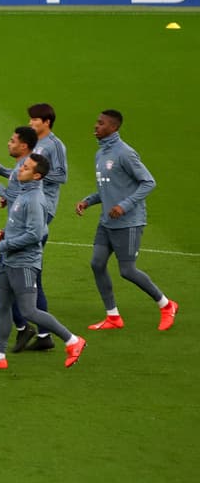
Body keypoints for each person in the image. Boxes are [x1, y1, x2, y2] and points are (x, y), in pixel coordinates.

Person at [0, 154, 87, 370]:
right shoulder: (25, 194)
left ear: (36, 176)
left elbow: (36, 234)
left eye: (25, 168)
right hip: (10, 261)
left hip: (24, 263)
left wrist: (3, 245)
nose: (20, 170)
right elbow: (21, 225)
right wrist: (6, 233)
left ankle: (73, 340)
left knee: (28, 311)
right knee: (2, 306)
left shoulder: (35, 199)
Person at [76, 109, 178, 331]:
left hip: (129, 222)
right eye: (96, 122)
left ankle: (166, 304)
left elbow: (149, 182)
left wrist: (124, 206)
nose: (96, 126)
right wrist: (88, 201)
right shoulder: (100, 153)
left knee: (127, 271)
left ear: (113, 127)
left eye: (101, 123)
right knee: (97, 263)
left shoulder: (125, 153)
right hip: (107, 221)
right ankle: (113, 317)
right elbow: (108, 187)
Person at [21, 102, 68, 350]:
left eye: (34, 119)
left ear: (46, 121)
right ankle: (38, 332)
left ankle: (41, 332)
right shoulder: (35, 144)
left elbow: (61, 175)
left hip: (43, 208)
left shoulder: (54, 145)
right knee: (19, 273)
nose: (31, 123)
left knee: (25, 273)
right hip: (29, 204)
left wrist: (38, 173)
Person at [0, 125, 40, 351]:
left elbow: (22, 198)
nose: (9, 143)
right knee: (2, 289)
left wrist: (1, 191)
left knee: (27, 299)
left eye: (12, 140)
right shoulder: (23, 166)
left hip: (21, 243)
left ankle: (67, 338)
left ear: (24, 146)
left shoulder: (26, 168)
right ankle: (6, 345)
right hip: (13, 235)